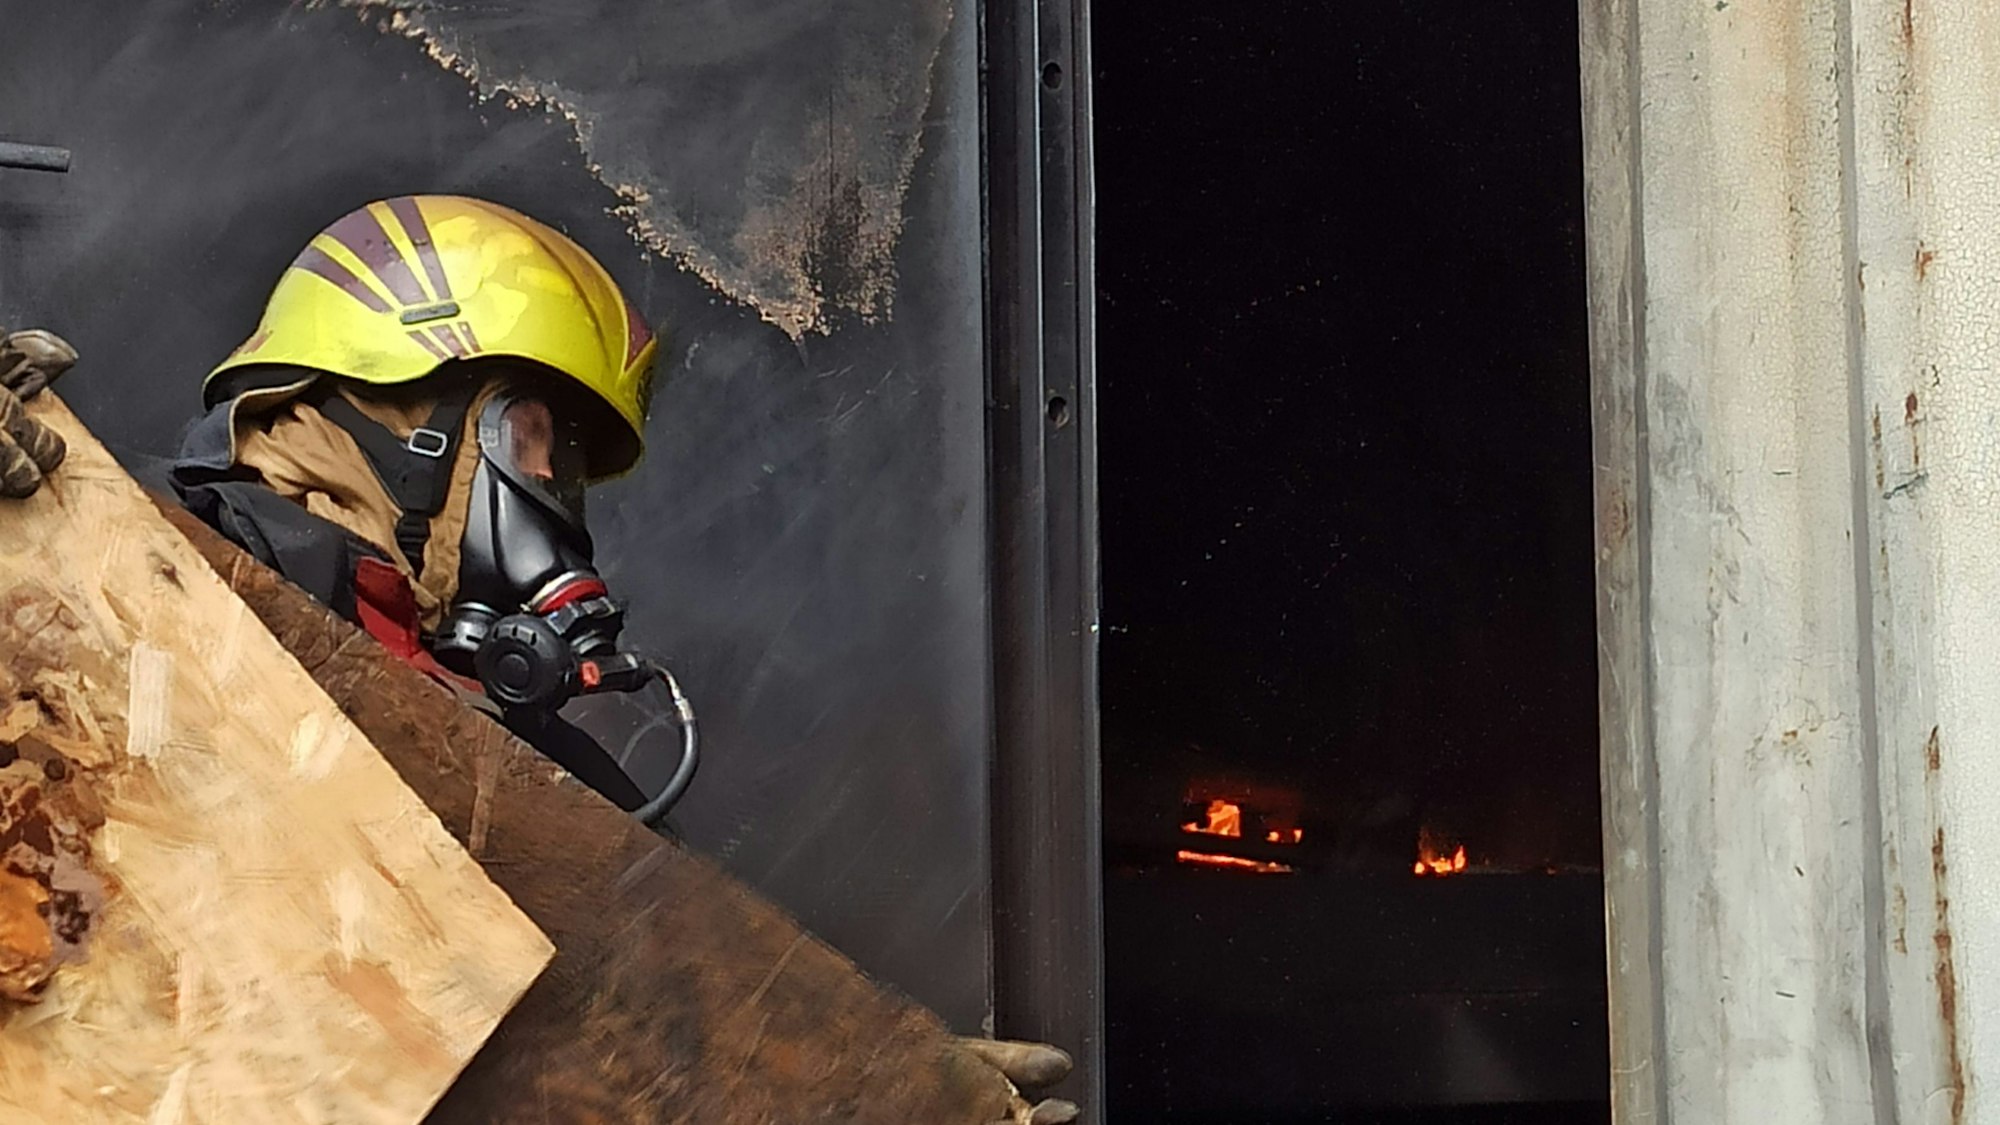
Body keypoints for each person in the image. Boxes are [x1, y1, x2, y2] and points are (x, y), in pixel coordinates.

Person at [0, 193, 1078, 1122]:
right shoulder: (115, 553)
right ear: (401, 407)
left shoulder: (526, 763)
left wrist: (860, 1076)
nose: (555, 492)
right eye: (534, 439)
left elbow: (642, 1022)